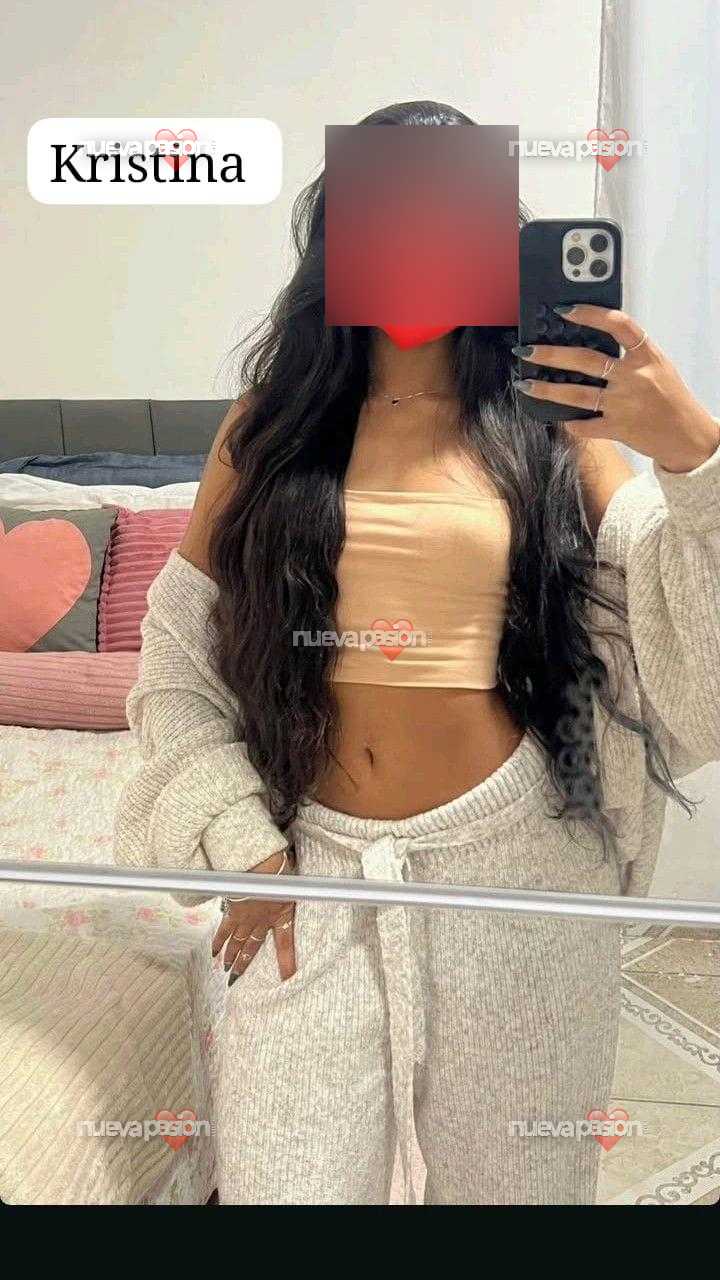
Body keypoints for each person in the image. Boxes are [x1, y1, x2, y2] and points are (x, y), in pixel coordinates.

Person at [114, 100, 720, 1205]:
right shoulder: (269, 425)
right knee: (287, 1189)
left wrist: (692, 452)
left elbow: (692, 639)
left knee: (517, 1193)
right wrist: (241, 843)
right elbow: (176, 655)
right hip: (306, 864)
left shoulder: (558, 418)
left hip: (523, 867)